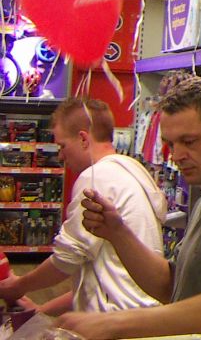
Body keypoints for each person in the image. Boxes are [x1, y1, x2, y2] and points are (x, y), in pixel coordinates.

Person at [55, 78, 201, 340]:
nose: (176, 155)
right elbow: (172, 288)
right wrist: (117, 232)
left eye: (189, 142)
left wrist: (113, 323)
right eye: (171, 143)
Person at [0, 98, 166, 315]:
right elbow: (99, 280)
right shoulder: (132, 173)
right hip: (140, 317)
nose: (60, 156)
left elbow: (67, 258)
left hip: (118, 324)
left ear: (83, 139)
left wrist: (17, 286)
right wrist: (41, 311)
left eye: (62, 146)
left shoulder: (98, 178)